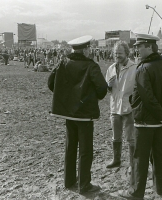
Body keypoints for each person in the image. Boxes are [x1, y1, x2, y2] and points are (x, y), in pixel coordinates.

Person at [118, 33, 162, 199]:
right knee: (158, 156)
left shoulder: (143, 68)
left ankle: (136, 192)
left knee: (140, 158)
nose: (136, 49)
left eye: (139, 46)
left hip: (145, 122)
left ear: (150, 47)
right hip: (160, 123)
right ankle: (159, 187)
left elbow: (147, 97)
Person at [48, 35, 107, 194]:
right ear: (85, 49)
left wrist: (67, 98)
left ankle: (69, 181)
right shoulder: (91, 66)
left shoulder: (63, 63)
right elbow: (102, 89)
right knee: (85, 150)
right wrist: (88, 97)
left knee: (70, 147)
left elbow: (51, 83)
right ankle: (84, 185)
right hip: (85, 114)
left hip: (68, 113)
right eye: (89, 48)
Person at [105, 41, 136, 169]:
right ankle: (116, 160)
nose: (117, 56)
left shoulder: (134, 67)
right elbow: (107, 89)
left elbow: (137, 88)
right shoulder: (111, 68)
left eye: (120, 53)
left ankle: (133, 164)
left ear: (127, 53)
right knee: (116, 136)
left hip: (129, 108)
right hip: (114, 108)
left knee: (131, 138)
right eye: (115, 53)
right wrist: (108, 86)